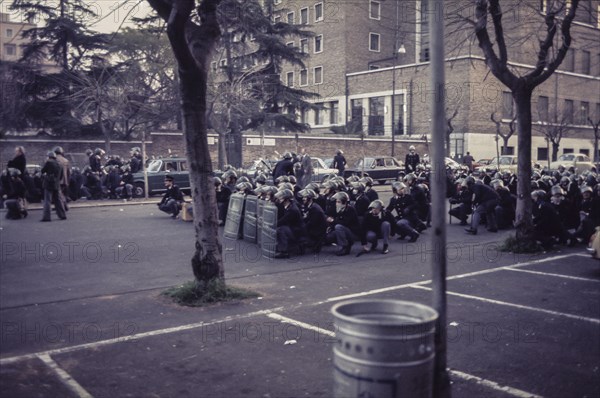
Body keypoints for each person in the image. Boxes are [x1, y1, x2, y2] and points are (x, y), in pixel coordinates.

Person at [326, 192, 360, 256]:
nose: (336, 204)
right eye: (336, 202)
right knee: (329, 236)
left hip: (351, 232)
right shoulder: (336, 208)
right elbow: (327, 214)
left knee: (338, 227)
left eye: (338, 202)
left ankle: (344, 246)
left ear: (344, 202)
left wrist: (333, 221)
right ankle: (342, 244)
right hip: (342, 230)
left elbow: (344, 223)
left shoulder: (350, 210)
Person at [274, 189, 305, 259]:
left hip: (296, 231)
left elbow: (282, 221)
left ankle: (284, 252)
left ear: (286, 199)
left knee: (281, 229)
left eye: (281, 198)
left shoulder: (292, 210)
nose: (279, 199)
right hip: (292, 228)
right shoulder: (288, 206)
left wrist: (272, 224)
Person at [298, 188, 327, 253]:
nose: (303, 199)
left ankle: (312, 243)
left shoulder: (315, 208)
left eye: (305, 197)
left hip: (318, 231)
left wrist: (301, 228)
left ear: (310, 198)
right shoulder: (310, 206)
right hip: (314, 229)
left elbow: (311, 223)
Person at [41, 151, 67, 222]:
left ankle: (47, 217)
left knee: (47, 201)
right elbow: (61, 176)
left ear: (49, 156)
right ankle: (62, 215)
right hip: (56, 184)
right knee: (58, 200)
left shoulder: (49, 162)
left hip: (48, 184)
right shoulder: (60, 164)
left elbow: (42, 171)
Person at [54, 146, 71, 210]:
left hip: (57, 180)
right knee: (61, 193)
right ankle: (64, 206)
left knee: (58, 194)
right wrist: (68, 181)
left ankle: (62, 206)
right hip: (64, 180)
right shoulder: (66, 160)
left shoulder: (54, 159)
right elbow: (68, 172)